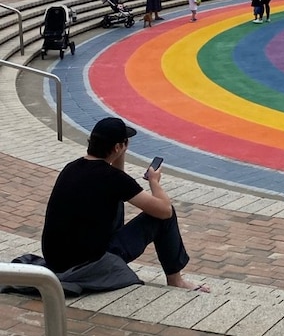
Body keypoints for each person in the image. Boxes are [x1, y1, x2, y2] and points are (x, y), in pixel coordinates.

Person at [41, 116, 209, 291]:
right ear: (117, 147)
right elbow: (164, 211)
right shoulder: (113, 179)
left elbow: (116, 182)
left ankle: (175, 280)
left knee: (114, 201)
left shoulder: (71, 167)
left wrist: (119, 152)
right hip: (89, 263)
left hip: (57, 260)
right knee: (163, 217)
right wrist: (154, 182)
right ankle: (176, 281)